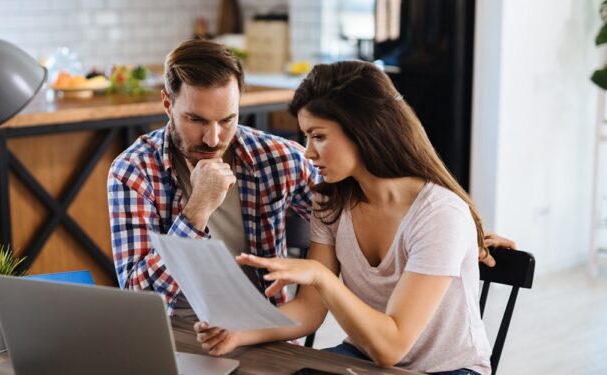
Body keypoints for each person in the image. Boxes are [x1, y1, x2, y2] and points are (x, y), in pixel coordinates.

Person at [194, 61, 512, 375]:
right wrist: (238, 332)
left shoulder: (440, 214)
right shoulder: (332, 200)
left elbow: (392, 346)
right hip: (364, 358)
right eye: (306, 137)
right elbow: (308, 310)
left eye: (318, 136)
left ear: (364, 130)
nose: (308, 152)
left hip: (448, 371)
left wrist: (321, 276)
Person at [107, 39, 319, 316]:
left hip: (264, 333)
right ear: (168, 104)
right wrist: (197, 210)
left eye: (227, 120)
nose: (213, 139)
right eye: (196, 120)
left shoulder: (278, 158)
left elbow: (348, 224)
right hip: (175, 335)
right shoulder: (134, 171)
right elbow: (139, 299)